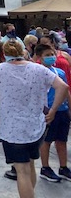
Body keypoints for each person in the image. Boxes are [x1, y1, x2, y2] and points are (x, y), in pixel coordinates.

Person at [0, 39, 69, 198]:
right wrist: (53, 109)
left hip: (11, 128)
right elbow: (63, 87)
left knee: (21, 170)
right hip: (35, 126)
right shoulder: (39, 69)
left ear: (5, 54)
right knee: (30, 165)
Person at [34, 43, 71, 182]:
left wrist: (69, 108)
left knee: (62, 139)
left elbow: (66, 91)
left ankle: (63, 167)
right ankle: (45, 167)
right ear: (39, 57)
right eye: (47, 55)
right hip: (47, 111)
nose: (51, 57)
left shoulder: (59, 72)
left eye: (52, 54)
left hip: (62, 110)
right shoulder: (36, 73)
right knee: (47, 140)